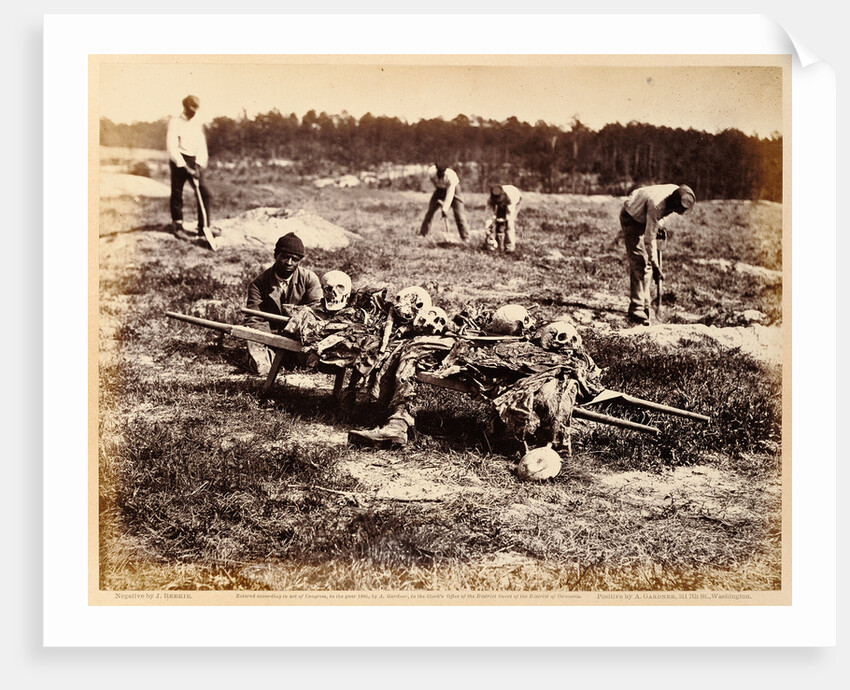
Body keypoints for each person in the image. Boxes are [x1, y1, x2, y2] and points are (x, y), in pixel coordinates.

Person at [244, 233, 323, 375]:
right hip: (271, 338)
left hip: (300, 337)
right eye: (285, 257)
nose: (289, 262)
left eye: (295, 259)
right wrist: (273, 340)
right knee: (262, 366)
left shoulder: (309, 279)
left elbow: (317, 312)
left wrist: (295, 332)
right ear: (276, 255)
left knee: (315, 361)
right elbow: (254, 319)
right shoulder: (258, 284)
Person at [619, 184, 695, 325]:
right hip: (631, 217)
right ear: (674, 203)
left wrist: (658, 226)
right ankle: (636, 307)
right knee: (640, 262)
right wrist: (656, 266)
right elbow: (649, 239)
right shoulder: (657, 206)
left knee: (645, 263)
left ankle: (645, 304)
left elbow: (662, 215)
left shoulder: (677, 191)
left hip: (645, 213)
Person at [166, 94, 218, 239]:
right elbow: (172, 146)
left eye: (196, 109)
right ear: (185, 107)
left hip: (194, 161)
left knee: (204, 193)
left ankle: (204, 227)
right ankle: (178, 226)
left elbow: (201, 146)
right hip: (179, 160)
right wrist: (183, 166)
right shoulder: (175, 121)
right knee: (177, 193)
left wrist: (198, 165)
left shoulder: (197, 122)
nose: (193, 112)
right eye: (191, 109)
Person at [419, 162, 470, 241]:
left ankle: (465, 237)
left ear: (445, 171)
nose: (440, 174)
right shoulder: (431, 173)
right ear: (436, 170)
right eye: (439, 172)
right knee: (430, 211)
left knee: (459, 214)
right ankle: (423, 234)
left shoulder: (451, 176)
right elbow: (431, 184)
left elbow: (450, 194)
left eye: (442, 172)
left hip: (454, 190)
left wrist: (444, 208)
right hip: (439, 190)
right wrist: (439, 196)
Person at [484, 184, 522, 253]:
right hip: (506, 202)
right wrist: (487, 226)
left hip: (515, 202)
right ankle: (493, 245)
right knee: (494, 225)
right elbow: (489, 214)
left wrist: (503, 219)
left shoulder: (511, 197)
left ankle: (509, 247)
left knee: (509, 224)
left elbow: (510, 214)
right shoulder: (491, 199)